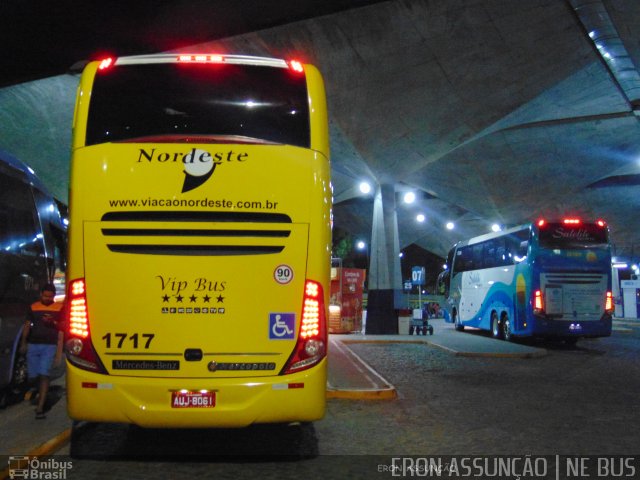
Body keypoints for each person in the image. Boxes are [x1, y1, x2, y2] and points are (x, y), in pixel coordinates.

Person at [20, 284, 64, 419]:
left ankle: (40, 407)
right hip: (33, 345)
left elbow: (62, 329)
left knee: (44, 374)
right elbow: (27, 325)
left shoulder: (59, 308)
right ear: (41, 294)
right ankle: (40, 394)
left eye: (50, 296)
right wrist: (23, 342)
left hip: (49, 345)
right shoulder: (33, 307)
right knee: (34, 376)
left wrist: (58, 352)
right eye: (45, 296)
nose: (48, 298)